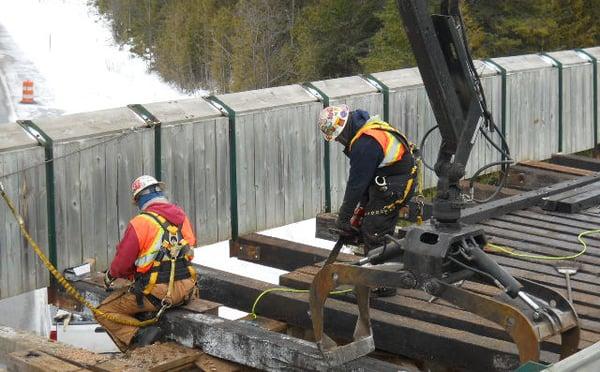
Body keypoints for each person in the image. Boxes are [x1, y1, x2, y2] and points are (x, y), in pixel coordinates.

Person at [318, 105, 417, 294]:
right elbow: (366, 180)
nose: (338, 141)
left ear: (343, 130)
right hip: (387, 178)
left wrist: (344, 218)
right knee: (370, 222)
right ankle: (377, 274)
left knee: (375, 228)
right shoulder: (364, 128)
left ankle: (384, 284)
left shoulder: (365, 144)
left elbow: (356, 185)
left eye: (338, 137)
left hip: (396, 185)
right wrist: (359, 211)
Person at [95, 175, 197, 351]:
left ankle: (139, 336)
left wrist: (110, 275)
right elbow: (188, 253)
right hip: (187, 288)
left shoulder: (140, 223)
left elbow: (121, 264)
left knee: (103, 312)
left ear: (139, 199)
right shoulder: (181, 218)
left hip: (158, 294)